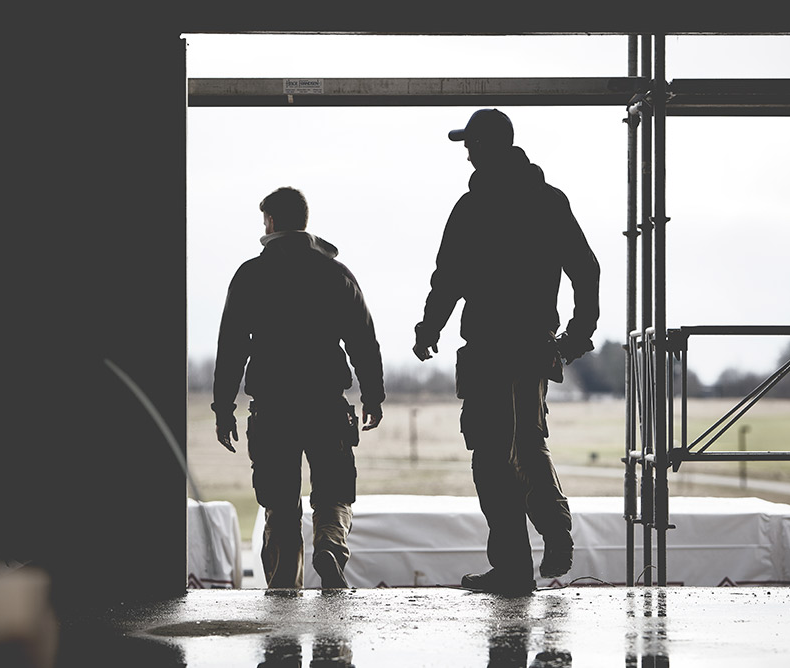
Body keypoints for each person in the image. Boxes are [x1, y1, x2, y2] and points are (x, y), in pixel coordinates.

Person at [413, 109, 600, 594]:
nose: (467, 152)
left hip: (489, 350)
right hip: (533, 349)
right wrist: (578, 335)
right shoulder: (549, 201)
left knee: (493, 458)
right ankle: (543, 542)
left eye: (471, 144)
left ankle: (520, 563)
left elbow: (447, 279)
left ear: (488, 146)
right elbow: (587, 269)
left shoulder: (470, 208)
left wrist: (429, 328)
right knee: (527, 446)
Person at [212, 186, 385, 589]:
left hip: (272, 409)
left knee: (280, 504)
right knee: (334, 492)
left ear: (271, 222)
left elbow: (232, 346)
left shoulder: (251, 274)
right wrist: (373, 395)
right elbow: (363, 341)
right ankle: (329, 543)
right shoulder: (336, 274)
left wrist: (223, 408)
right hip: (326, 405)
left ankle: (284, 588)